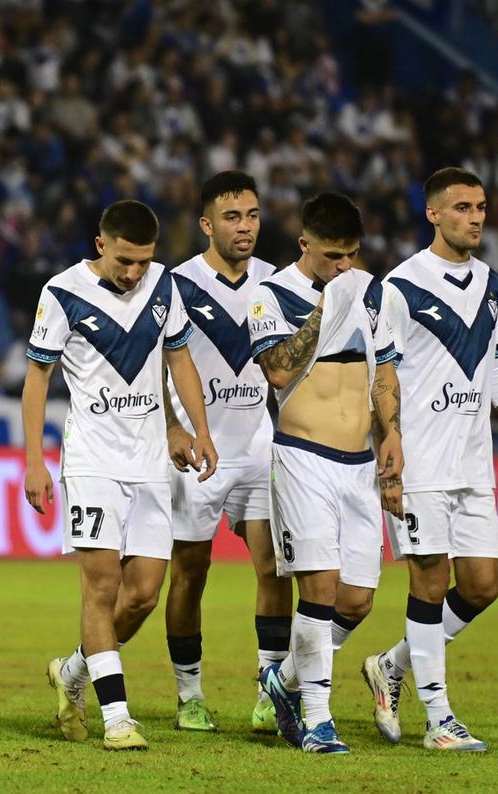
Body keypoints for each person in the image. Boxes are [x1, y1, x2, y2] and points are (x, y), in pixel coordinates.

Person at [361, 167, 498, 751]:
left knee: (482, 585)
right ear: (434, 214)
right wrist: (386, 452)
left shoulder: (491, 283)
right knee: (430, 577)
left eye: (482, 207)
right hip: (419, 461)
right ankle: (438, 719)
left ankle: (391, 665)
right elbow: (382, 374)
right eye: (464, 207)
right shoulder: (401, 286)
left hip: (472, 460)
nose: (476, 217)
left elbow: (495, 364)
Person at [24, 200, 218, 751]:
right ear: (100, 244)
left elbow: (179, 359)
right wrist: (35, 459)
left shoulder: (164, 287)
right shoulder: (62, 293)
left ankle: (72, 673)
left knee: (143, 596)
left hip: (152, 462)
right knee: (101, 586)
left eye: (143, 262)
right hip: (93, 462)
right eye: (124, 261)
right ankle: (116, 717)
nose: (133, 273)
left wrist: (197, 429)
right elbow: (37, 379)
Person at [247, 192, 402, 754]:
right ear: (304, 244)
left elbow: (383, 373)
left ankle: (284, 679)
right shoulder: (271, 295)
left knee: (356, 599)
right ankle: (317, 717)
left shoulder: (373, 294)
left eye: (353, 256)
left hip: (359, 463)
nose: (345, 267)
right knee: (318, 588)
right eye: (334, 256)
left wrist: (393, 438)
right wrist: (329, 302)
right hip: (302, 457)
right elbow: (279, 372)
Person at [161, 171, 290, 733]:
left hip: (259, 444)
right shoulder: (176, 285)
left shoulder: (277, 282)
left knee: (275, 567)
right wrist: (171, 425)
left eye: (254, 215)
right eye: (233, 218)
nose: (246, 227)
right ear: (207, 225)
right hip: (198, 451)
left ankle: (270, 689)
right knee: (191, 571)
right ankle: (189, 693)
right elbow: (151, 365)